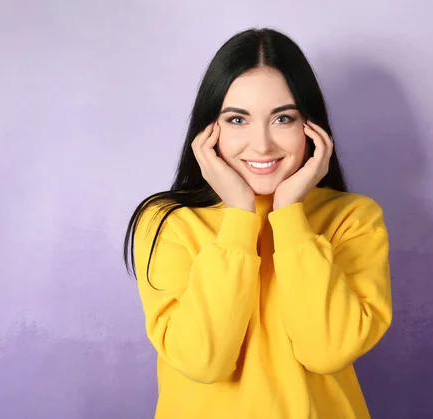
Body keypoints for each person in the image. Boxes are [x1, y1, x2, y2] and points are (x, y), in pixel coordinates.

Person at [123, 27, 392, 419]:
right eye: (237, 120)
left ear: (310, 127)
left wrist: (288, 215)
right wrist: (239, 217)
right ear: (207, 130)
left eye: (282, 118)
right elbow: (203, 361)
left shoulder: (353, 219)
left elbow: (327, 350)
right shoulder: (167, 223)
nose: (262, 144)